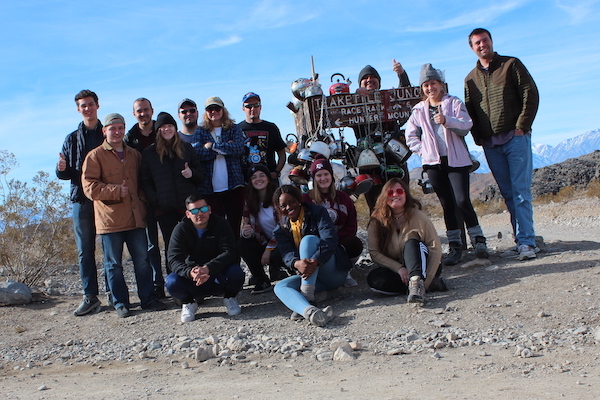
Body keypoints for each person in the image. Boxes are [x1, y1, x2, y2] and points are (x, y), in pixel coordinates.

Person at [464, 28, 540, 261]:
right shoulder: (470, 79)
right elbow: (470, 110)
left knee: (520, 191)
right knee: (508, 193)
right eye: (477, 43)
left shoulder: (511, 65)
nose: (482, 45)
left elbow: (530, 93)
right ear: (472, 47)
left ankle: (527, 241)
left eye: (484, 40)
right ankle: (522, 240)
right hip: (491, 144)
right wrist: (478, 138)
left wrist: (522, 126)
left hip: (515, 137)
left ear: (491, 41)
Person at [82, 113, 166, 318]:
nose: (117, 132)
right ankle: (120, 302)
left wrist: (147, 201)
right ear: (105, 131)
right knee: (114, 264)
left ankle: (148, 299)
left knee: (143, 260)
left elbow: (143, 182)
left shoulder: (135, 155)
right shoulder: (95, 156)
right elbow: (89, 187)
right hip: (110, 221)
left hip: (136, 217)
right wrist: (116, 191)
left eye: (120, 128)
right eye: (112, 128)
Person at [406, 63, 488, 265]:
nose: (429, 88)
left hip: (457, 160)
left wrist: (447, 120)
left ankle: (478, 240)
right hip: (433, 163)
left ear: (441, 84)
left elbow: (466, 124)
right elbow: (410, 136)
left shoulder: (453, 102)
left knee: (462, 200)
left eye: (433, 83)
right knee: (447, 205)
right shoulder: (419, 110)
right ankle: (455, 247)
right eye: (425, 85)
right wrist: (423, 150)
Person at [273, 185, 351, 327]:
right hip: (312, 278)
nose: (289, 207)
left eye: (292, 202)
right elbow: (286, 253)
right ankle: (310, 311)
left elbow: (329, 240)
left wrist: (315, 261)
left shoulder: (317, 212)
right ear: (279, 208)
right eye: (283, 205)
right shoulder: (281, 228)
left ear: (299, 199)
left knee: (308, 241)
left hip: (332, 272)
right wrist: (296, 263)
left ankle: (307, 296)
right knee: (280, 287)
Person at [56, 89, 105, 316]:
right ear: (78, 109)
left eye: (90, 104)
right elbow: (63, 173)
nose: (87, 108)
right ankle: (90, 297)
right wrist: (60, 169)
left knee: (110, 249)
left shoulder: (107, 134)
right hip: (81, 199)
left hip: (106, 199)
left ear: (97, 105)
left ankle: (116, 294)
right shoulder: (71, 138)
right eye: (83, 105)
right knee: (85, 251)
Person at [141, 111, 204, 285]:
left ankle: (196, 283)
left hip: (187, 209)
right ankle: (177, 285)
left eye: (169, 126)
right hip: (164, 209)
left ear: (175, 128)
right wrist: (156, 201)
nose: (167, 129)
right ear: (158, 130)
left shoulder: (186, 148)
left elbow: (201, 176)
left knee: (192, 245)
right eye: (163, 127)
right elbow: (145, 181)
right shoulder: (149, 153)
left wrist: (191, 174)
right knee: (172, 248)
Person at [166, 194, 245, 322]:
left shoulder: (221, 224)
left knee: (236, 272)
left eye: (202, 209)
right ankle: (188, 303)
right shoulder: (181, 229)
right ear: (187, 214)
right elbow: (173, 259)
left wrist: (208, 268)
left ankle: (230, 298)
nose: (199, 214)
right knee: (171, 281)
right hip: (194, 278)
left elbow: (230, 252)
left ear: (209, 209)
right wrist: (190, 273)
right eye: (194, 211)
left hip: (217, 273)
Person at [366, 178, 443, 304]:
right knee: (375, 280)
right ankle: (422, 287)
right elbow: (374, 252)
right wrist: (399, 268)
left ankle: (418, 283)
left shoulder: (418, 217)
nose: (395, 195)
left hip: (421, 265)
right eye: (390, 193)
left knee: (412, 242)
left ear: (406, 194)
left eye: (399, 191)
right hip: (399, 270)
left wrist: (427, 278)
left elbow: (435, 248)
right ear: (384, 197)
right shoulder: (377, 221)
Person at [353, 61, 412, 212]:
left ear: (379, 82)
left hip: (394, 158)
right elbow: (339, 111)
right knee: (375, 204)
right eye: (365, 78)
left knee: (401, 200)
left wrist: (401, 75)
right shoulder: (355, 105)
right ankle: (379, 233)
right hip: (367, 162)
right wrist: (356, 97)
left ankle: (403, 233)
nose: (369, 80)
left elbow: (407, 98)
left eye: (373, 77)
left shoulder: (389, 101)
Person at [303, 155, 363, 287]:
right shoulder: (306, 199)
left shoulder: (343, 197)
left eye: (326, 174)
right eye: (319, 175)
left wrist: (334, 238)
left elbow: (351, 224)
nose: (323, 178)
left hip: (339, 240)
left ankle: (345, 270)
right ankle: (311, 275)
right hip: (318, 241)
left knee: (355, 243)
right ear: (314, 178)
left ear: (331, 175)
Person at [124, 98, 163, 298]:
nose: (143, 114)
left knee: (173, 241)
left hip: (166, 195)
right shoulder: (130, 138)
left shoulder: (163, 131)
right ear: (134, 114)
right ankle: (157, 285)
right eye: (139, 111)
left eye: (146, 110)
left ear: (151, 111)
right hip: (143, 198)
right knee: (150, 245)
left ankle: (178, 282)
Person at [192, 97, 245, 236]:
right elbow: (197, 153)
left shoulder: (234, 128)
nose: (214, 112)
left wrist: (212, 146)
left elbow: (239, 148)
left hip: (234, 186)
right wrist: (226, 149)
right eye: (210, 109)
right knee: (215, 229)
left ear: (223, 110)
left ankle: (234, 257)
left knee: (234, 228)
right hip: (210, 189)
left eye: (217, 108)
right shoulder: (201, 131)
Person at [238, 164, 287, 294]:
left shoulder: (279, 197)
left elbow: (282, 228)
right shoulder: (249, 201)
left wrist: (268, 250)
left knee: (277, 253)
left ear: (268, 178)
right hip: (264, 242)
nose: (258, 179)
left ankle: (288, 272)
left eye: (261, 175)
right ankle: (261, 280)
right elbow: (249, 223)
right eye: (254, 177)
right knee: (243, 243)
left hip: (283, 242)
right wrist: (246, 232)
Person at [237, 92, 286, 180]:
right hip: (245, 181)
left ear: (260, 107)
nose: (253, 109)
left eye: (256, 105)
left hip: (268, 180)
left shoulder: (271, 128)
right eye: (248, 106)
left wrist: (276, 172)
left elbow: (282, 154)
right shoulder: (237, 129)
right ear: (243, 109)